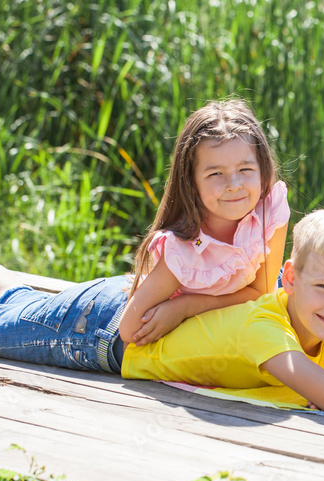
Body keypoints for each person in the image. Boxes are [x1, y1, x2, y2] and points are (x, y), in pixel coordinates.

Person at [0, 209, 324, 414]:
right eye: (323, 287)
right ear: (290, 279)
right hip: (103, 335)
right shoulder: (268, 326)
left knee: (13, 296)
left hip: (132, 310)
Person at [119, 98, 290, 346]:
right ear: (190, 181)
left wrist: (187, 306)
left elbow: (262, 292)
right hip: (99, 319)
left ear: (262, 169)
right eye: (215, 174)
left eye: (245, 170)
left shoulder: (269, 214)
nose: (234, 185)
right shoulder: (185, 249)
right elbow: (129, 329)